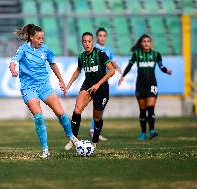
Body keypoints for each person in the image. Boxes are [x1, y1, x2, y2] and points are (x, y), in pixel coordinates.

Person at [9, 24, 79, 158]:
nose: (41, 41)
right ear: (31, 37)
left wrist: (61, 80)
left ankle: (72, 138)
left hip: (44, 86)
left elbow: (53, 64)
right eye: (38, 38)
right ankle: (45, 149)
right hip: (29, 88)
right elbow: (13, 62)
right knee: (39, 117)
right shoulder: (23, 49)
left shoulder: (46, 50)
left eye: (43, 38)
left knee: (60, 113)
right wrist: (13, 69)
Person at [64, 32, 115, 151]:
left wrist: (98, 84)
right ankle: (73, 139)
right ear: (82, 43)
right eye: (84, 42)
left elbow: (112, 71)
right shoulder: (81, 56)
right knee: (77, 109)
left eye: (89, 41)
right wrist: (69, 85)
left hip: (101, 88)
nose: (87, 44)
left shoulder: (100, 54)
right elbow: (78, 70)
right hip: (87, 85)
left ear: (92, 42)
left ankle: (95, 141)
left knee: (97, 117)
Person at [118, 34, 172, 141]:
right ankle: (143, 133)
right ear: (141, 43)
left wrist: (167, 71)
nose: (146, 43)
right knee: (142, 110)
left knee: (150, 108)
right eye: (144, 41)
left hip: (152, 84)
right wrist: (123, 76)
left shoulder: (156, 54)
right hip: (140, 85)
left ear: (150, 43)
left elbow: (161, 66)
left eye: (148, 41)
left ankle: (151, 131)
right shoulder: (137, 54)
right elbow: (129, 66)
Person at [89, 27, 121, 141]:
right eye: (100, 35)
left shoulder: (108, 50)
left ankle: (94, 130)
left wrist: (118, 68)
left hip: (104, 81)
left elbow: (111, 62)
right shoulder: (93, 48)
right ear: (96, 37)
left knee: (100, 108)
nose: (102, 37)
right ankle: (93, 130)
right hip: (95, 81)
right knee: (97, 107)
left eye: (104, 35)